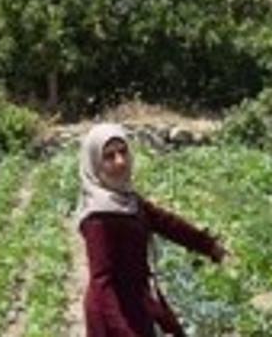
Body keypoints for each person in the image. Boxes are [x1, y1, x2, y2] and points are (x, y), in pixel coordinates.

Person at [76, 123, 226, 337]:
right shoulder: (98, 218)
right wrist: (123, 331)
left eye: (123, 151)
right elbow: (102, 284)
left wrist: (208, 245)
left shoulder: (127, 200)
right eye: (109, 156)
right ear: (94, 163)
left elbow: (167, 223)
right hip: (113, 312)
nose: (120, 161)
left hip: (137, 299)